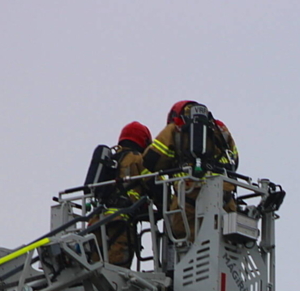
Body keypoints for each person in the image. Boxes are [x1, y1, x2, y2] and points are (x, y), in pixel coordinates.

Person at [142, 100, 239, 243]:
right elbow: (234, 160)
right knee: (223, 240)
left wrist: (172, 165)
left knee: (186, 243)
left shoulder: (176, 128)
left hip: (188, 197)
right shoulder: (220, 129)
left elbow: (151, 160)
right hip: (223, 197)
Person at [89, 121, 151, 267]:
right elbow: (155, 184)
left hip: (97, 221)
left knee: (94, 269)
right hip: (120, 221)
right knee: (117, 270)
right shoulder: (138, 159)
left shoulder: (111, 160)